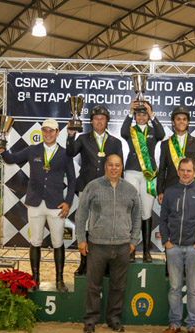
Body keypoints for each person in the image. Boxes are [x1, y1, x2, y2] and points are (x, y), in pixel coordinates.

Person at [0, 118, 75, 292]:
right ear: (42, 132)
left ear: (57, 133)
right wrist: (2, 150)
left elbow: (73, 180)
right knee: (35, 241)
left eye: (51, 131)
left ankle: (59, 280)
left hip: (56, 206)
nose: (47, 134)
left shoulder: (65, 153)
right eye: (45, 131)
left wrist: (68, 202)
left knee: (58, 242)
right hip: (35, 203)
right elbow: (11, 159)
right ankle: (35, 280)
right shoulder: (32, 150)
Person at [76, 154, 141, 333]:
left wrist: (133, 241)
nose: (114, 168)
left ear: (122, 168)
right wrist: (81, 238)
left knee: (118, 286)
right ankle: (90, 321)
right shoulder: (93, 186)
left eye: (117, 165)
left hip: (122, 246)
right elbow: (81, 214)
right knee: (93, 285)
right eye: (111, 165)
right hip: (97, 244)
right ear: (106, 167)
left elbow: (137, 217)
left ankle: (114, 319)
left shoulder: (130, 189)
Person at [67, 105, 123, 276]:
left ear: (107, 121)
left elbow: (121, 168)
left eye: (102, 118)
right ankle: (84, 263)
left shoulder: (115, 141)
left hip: (107, 189)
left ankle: (104, 264)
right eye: (96, 118)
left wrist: (119, 188)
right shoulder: (83, 139)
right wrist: (70, 136)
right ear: (91, 121)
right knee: (84, 224)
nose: (99, 121)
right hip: (86, 187)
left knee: (104, 226)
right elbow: (70, 153)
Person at [159, 158, 195, 333]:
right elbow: (163, 219)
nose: (185, 173)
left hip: (194, 249)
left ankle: (192, 325)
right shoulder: (169, 192)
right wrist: (166, 242)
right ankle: (175, 323)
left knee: (194, 289)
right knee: (174, 288)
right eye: (182, 170)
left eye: (189, 171)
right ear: (178, 171)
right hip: (173, 247)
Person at [120, 100, 165, 262]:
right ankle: (131, 250)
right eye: (138, 114)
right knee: (131, 210)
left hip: (148, 175)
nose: (141, 117)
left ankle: (146, 250)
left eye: (144, 114)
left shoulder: (153, 131)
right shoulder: (131, 131)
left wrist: (152, 114)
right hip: (131, 172)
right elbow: (122, 131)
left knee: (146, 212)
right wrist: (130, 112)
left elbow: (162, 135)